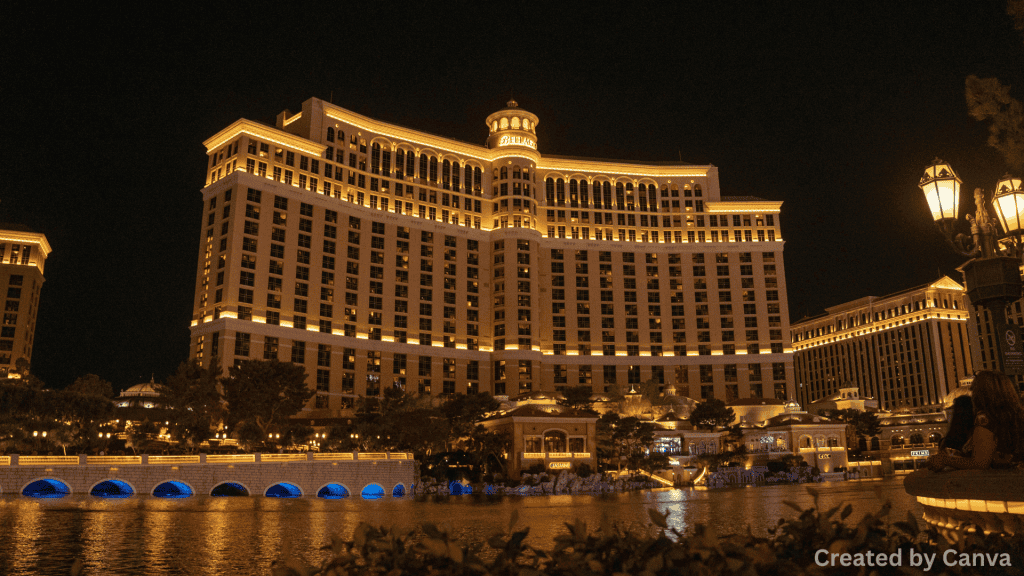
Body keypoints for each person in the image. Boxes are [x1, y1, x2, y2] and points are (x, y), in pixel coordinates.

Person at [927, 371, 1024, 470]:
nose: (972, 393)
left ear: (983, 393)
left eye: (974, 390)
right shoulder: (1017, 416)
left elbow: (980, 463)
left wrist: (945, 460)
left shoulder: (985, 419)